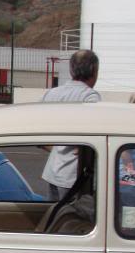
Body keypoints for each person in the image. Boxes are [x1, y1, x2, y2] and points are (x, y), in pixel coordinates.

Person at [40, 49, 101, 200]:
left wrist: (56, 147)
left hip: (52, 172)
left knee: (54, 219)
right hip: (74, 177)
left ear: (71, 69)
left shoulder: (51, 94)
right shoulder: (90, 97)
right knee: (73, 221)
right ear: (94, 70)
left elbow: (38, 133)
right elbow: (95, 137)